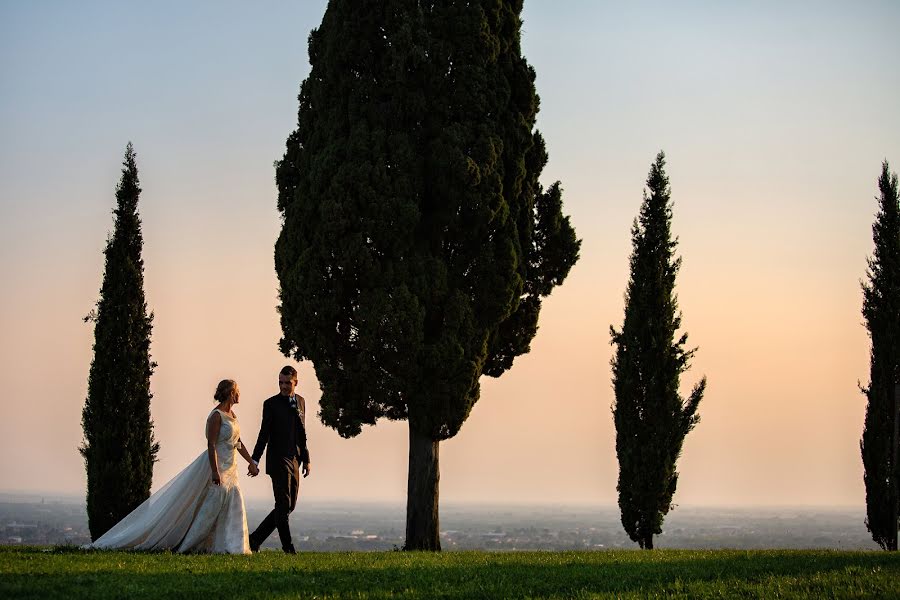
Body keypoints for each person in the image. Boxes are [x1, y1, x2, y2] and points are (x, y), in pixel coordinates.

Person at [88, 379, 258, 554]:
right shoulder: (216, 416)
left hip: (232, 468)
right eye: (237, 391)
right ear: (231, 393)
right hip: (218, 466)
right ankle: (191, 543)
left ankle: (231, 545)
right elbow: (211, 445)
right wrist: (215, 471)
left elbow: (237, 442)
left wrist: (251, 462)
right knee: (211, 506)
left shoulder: (233, 416)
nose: (239, 395)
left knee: (233, 503)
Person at [248, 366, 311, 553]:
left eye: (287, 383)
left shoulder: (301, 402)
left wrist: (306, 459)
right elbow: (263, 434)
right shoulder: (271, 404)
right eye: (280, 382)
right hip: (277, 460)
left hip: (295, 460)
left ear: (296, 383)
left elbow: (302, 433)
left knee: (289, 506)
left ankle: (254, 539)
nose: (283, 386)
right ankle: (288, 548)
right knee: (282, 505)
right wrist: (255, 460)